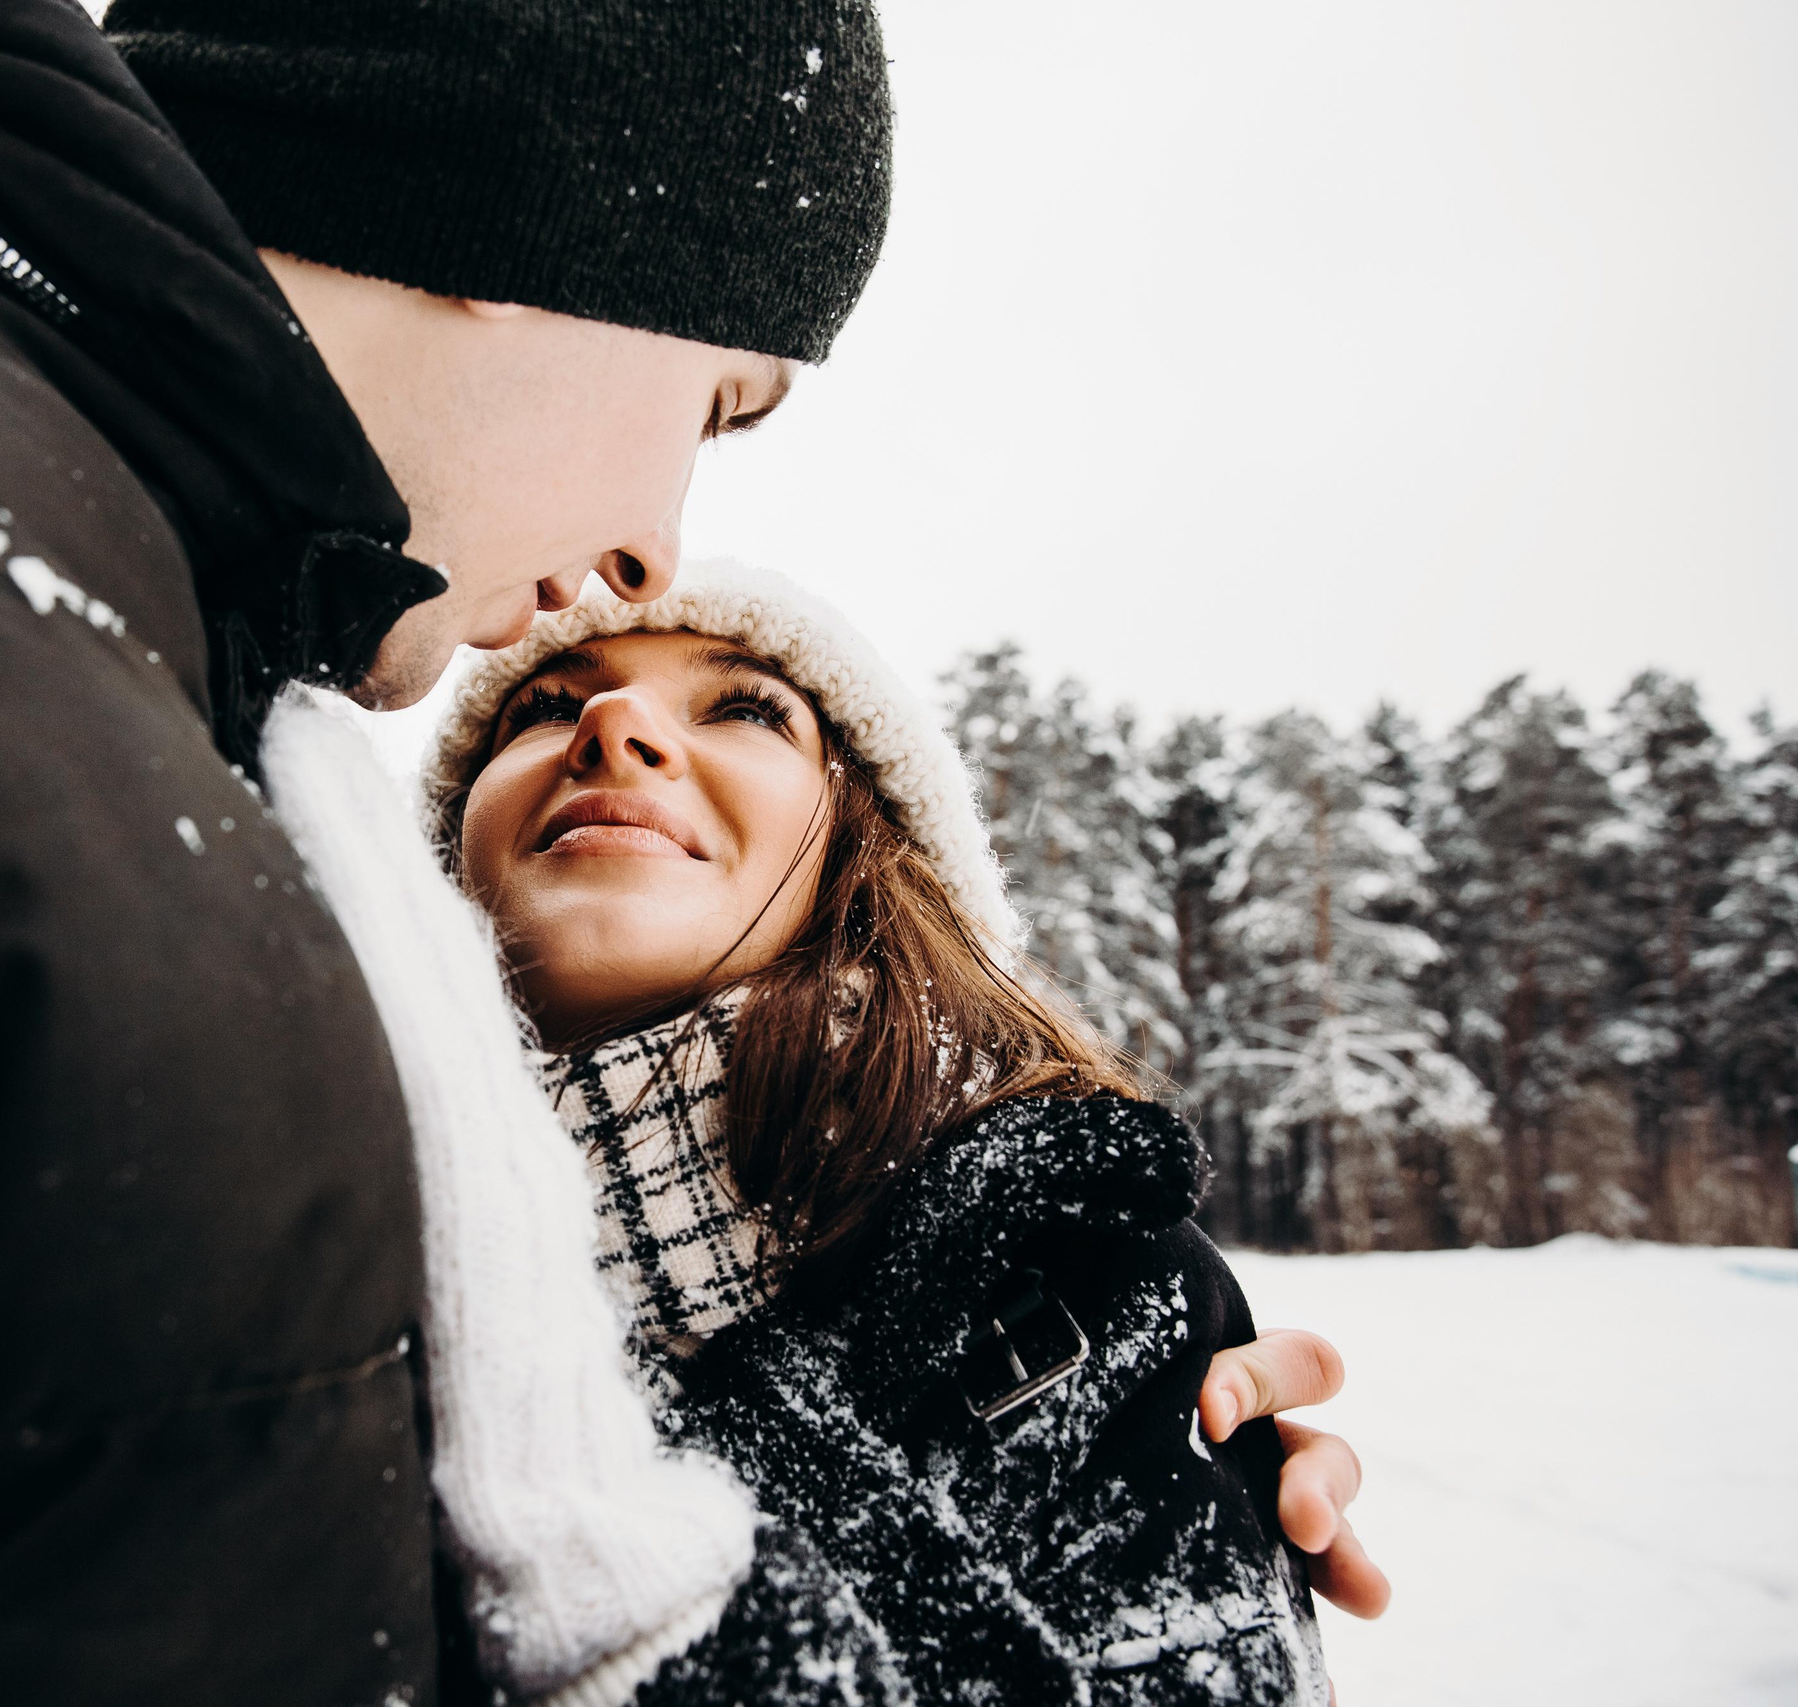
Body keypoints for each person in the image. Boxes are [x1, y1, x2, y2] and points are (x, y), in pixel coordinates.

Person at [0, 0, 1373, 1699]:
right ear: (550, 218)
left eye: (747, 707)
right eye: (719, 403)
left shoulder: (166, 711)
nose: (647, 563)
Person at [401, 564, 1343, 1702]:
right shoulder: (270, 1243)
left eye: (744, 708)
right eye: (543, 708)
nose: (610, 723)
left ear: (860, 853)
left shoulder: (1072, 1274)